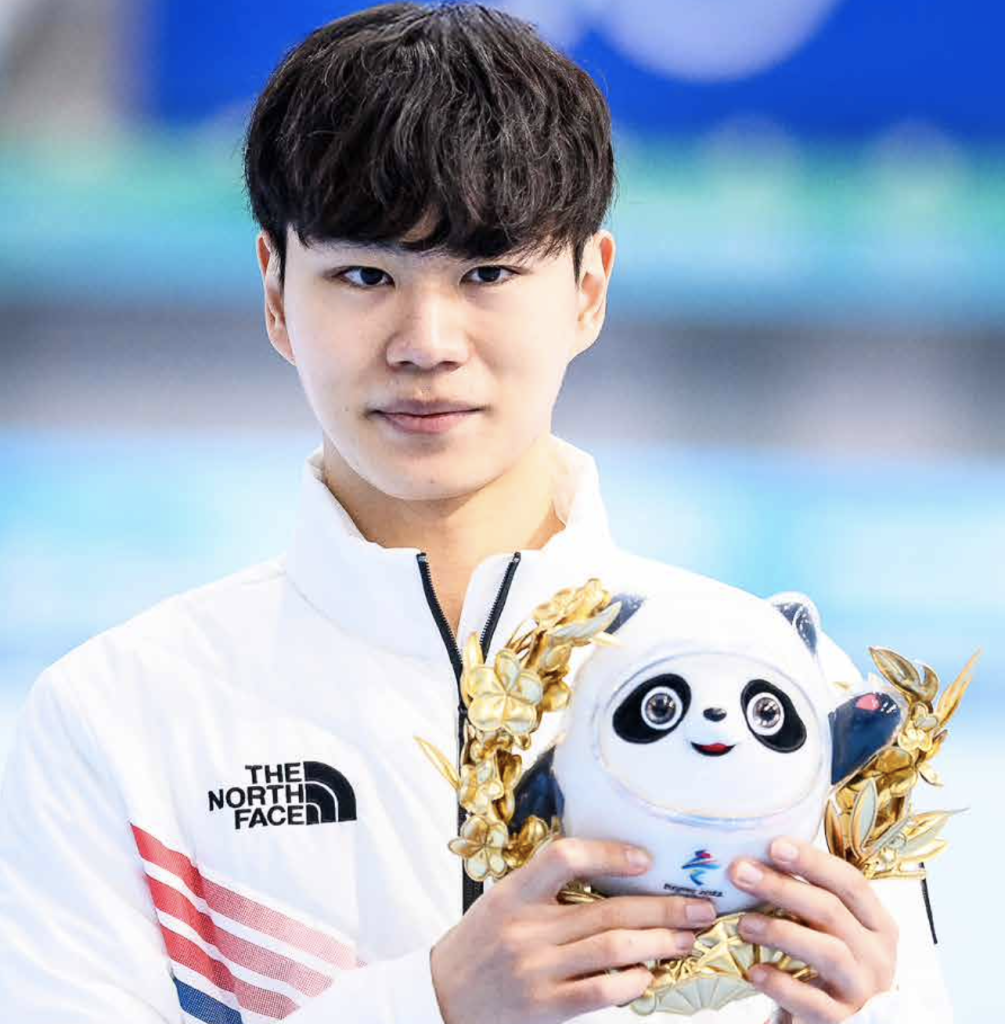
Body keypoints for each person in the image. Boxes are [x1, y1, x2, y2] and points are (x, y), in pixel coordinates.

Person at [0, 4, 951, 1023]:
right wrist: (433, 1003)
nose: (427, 341)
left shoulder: (792, 693)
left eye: (487, 273)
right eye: (364, 275)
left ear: (587, 288)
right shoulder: (116, 720)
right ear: (276, 291)